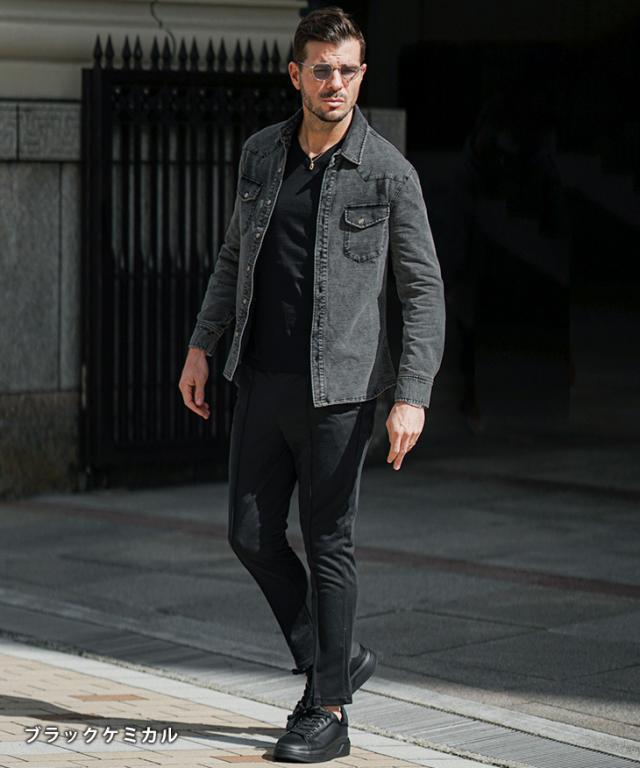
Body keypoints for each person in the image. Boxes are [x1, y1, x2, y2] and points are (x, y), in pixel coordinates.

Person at [178, 6, 445, 762]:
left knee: (330, 543)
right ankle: (337, 655)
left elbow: (423, 289)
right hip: (261, 379)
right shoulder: (262, 154)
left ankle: (328, 710)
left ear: (362, 75)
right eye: (322, 69)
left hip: (342, 392)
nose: (336, 83)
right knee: (249, 534)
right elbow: (234, 257)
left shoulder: (389, 173)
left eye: (348, 70)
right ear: (295, 74)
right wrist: (201, 344)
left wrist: (413, 393)